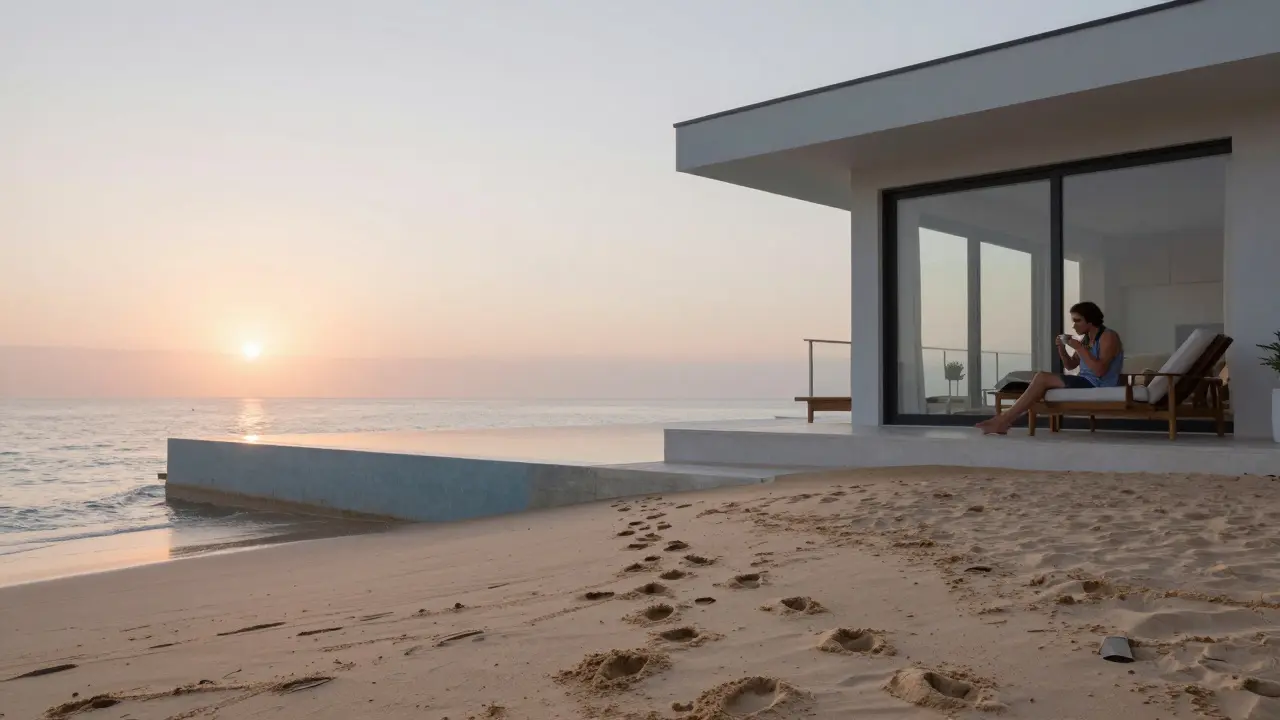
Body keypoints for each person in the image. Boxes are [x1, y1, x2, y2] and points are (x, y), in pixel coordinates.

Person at [975, 301, 1124, 435]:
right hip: (1085, 380)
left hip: (1100, 383)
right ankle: (1004, 420)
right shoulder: (1086, 340)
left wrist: (1079, 348)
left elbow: (1099, 371)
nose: (1074, 326)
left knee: (1041, 378)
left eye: (1078, 321)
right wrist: (1062, 349)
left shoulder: (1108, 337)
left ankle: (1003, 420)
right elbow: (1070, 365)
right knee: (1038, 380)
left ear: (1090, 320)